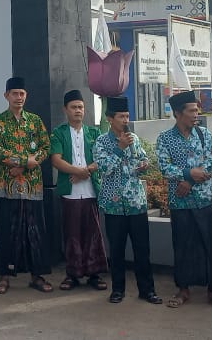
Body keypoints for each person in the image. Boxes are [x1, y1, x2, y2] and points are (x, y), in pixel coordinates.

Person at [155, 90, 212, 310]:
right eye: (191, 111)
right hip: (180, 203)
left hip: (204, 199)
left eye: (197, 110)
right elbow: (164, 166)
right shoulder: (165, 138)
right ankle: (183, 289)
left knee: (211, 244)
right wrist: (187, 175)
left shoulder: (204, 134)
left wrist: (190, 181)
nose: (196, 114)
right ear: (178, 114)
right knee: (183, 246)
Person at [0, 76, 53, 294]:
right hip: (7, 187)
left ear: (26, 96)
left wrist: (24, 167)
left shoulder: (35, 121)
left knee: (35, 232)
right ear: (6, 95)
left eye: (22, 94)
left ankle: (37, 275)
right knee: (7, 231)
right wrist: (26, 161)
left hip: (32, 187)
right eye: (14, 93)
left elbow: (46, 147)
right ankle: (4, 276)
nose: (18, 97)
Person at [93, 97, 160, 305]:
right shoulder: (101, 142)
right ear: (110, 119)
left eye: (127, 116)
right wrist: (119, 148)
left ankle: (147, 290)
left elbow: (142, 160)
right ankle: (118, 290)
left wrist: (143, 164)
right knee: (117, 249)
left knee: (142, 249)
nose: (125, 120)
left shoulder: (134, 139)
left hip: (136, 203)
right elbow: (104, 168)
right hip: (114, 205)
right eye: (121, 117)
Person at [49, 90, 107, 292]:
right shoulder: (58, 133)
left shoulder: (94, 133)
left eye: (81, 107)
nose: (78, 111)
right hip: (70, 192)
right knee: (72, 234)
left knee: (93, 233)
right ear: (65, 109)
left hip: (91, 190)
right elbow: (56, 159)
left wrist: (86, 171)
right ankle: (72, 275)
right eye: (73, 107)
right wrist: (76, 171)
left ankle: (94, 274)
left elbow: (101, 157)